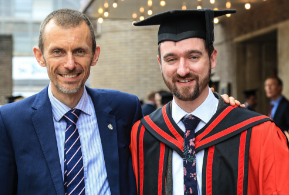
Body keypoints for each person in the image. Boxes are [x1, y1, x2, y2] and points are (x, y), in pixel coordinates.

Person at [130, 9, 289, 195]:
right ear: (160, 63)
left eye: (193, 57)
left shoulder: (260, 135)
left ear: (212, 58)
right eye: (171, 59)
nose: (182, 70)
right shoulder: (142, 136)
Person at [0, 9, 143, 195]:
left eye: (80, 51)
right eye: (57, 52)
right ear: (40, 56)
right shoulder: (11, 121)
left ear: (95, 54)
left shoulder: (125, 109)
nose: (69, 64)